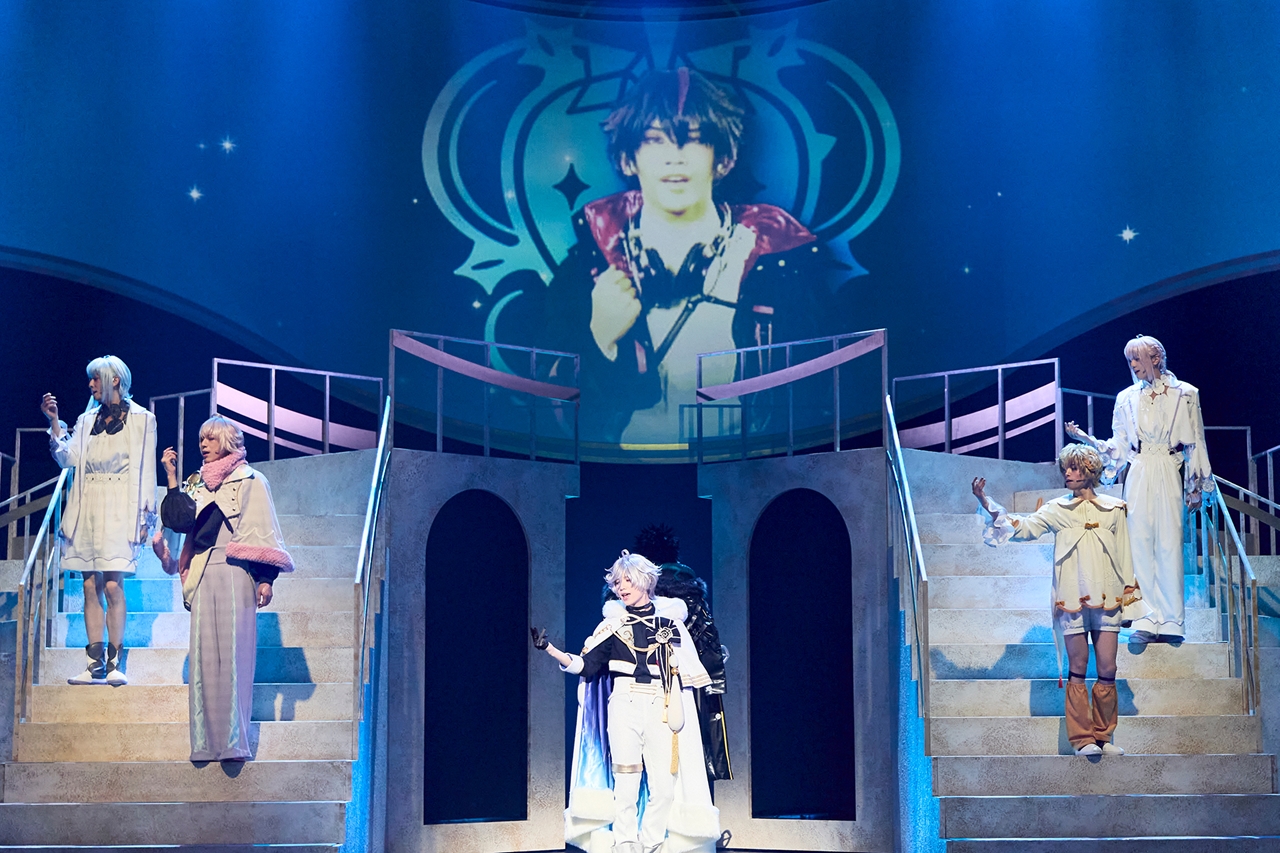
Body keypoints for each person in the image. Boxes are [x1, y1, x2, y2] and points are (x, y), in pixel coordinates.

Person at [543, 67, 842, 446]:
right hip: (628, 473)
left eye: (694, 141)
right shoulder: (587, 267)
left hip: (745, 471)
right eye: (655, 141)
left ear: (723, 159)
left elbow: (819, 396)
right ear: (628, 159)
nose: (675, 158)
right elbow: (554, 415)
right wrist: (600, 338)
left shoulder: (780, 263)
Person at [535, 550, 720, 853]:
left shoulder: (671, 624)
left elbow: (690, 671)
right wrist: (551, 650)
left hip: (661, 706)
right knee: (626, 781)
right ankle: (625, 842)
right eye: (617, 583)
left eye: (627, 581)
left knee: (664, 787)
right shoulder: (612, 626)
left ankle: (651, 841)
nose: (621, 587)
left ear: (645, 581)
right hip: (624, 704)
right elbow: (586, 665)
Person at [972, 445, 1143, 756]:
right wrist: (987, 503)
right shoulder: (1057, 509)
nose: (1068, 473)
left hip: (1108, 598)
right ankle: (1082, 739)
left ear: (1089, 470)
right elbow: (1023, 528)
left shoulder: (1115, 508)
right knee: (1078, 665)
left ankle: (1104, 736)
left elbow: (1125, 556)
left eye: (1075, 468)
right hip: (1071, 598)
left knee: (1108, 667)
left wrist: (1130, 602)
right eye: (1066, 468)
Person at [153, 416, 293, 762]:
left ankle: (234, 742)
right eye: (202, 439)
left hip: (237, 571)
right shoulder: (196, 484)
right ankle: (203, 743)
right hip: (203, 570)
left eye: (211, 439)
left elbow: (262, 531)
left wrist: (265, 578)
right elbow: (180, 521)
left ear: (228, 441)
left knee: (234, 657)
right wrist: (171, 478)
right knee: (203, 659)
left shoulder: (251, 480)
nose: (204, 444)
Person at [1066, 335, 1213, 644]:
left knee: (1170, 543)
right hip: (1140, 468)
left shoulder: (1186, 393)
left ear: (1155, 358)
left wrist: (1196, 484)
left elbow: (1195, 441)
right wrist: (1089, 442)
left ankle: (1172, 620)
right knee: (1139, 543)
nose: (1132, 364)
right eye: (1129, 359)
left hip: (1168, 467)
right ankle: (1145, 617)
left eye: (1137, 358)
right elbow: (1119, 445)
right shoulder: (1126, 398)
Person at [42, 355, 157, 686]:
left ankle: (115, 662)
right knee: (89, 584)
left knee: (112, 584)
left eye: (95, 378)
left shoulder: (143, 419)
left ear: (114, 381)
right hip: (87, 505)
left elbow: (146, 472)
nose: (91, 384)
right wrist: (55, 422)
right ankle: (93, 663)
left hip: (120, 505)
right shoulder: (86, 419)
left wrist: (145, 517)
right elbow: (68, 458)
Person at [629, 523, 731, 783]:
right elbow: (705, 636)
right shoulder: (689, 589)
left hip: (637, 681)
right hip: (682, 680)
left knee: (639, 749)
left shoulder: (627, 594)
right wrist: (713, 669)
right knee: (683, 745)